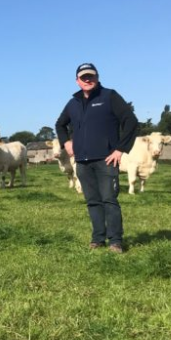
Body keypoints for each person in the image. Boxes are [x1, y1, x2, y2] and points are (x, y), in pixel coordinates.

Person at [55, 63, 138, 253]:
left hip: (106, 160)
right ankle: (98, 239)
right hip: (82, 162)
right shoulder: (73, 103)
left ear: (97, 78)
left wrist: (120, 149)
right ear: (77, 81)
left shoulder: (109, 96)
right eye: (83, 77)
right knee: (92, 201)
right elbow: (60, 124)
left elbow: (130, 121)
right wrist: (66, 143)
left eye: (90, 76)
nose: (87, 80)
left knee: (109, 200)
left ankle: (115, 241)